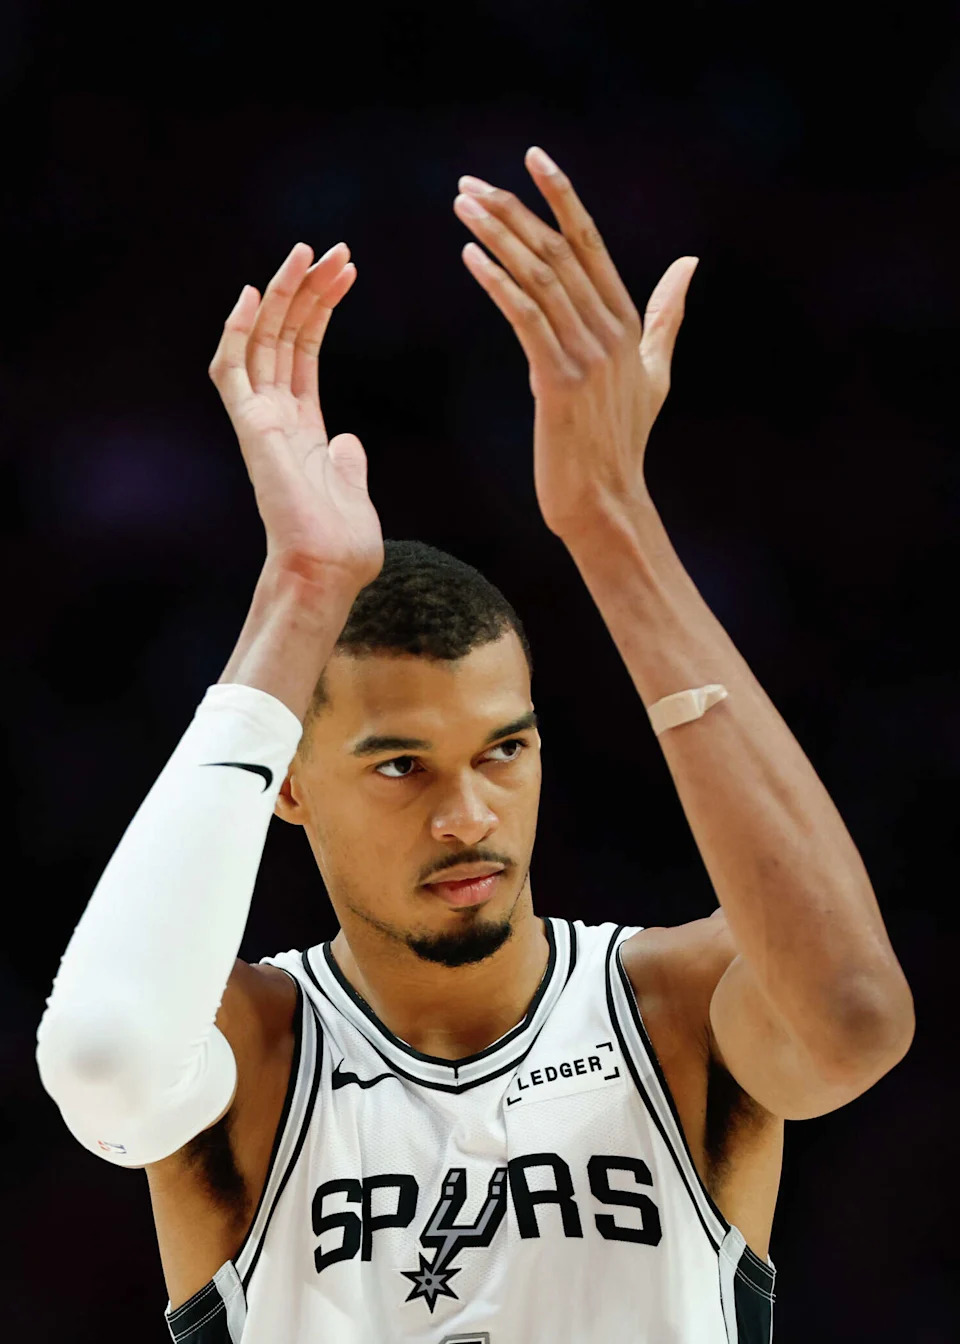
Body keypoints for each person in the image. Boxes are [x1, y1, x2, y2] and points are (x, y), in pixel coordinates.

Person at [36, 148, 914, 1343]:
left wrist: (614, 521)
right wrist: (298, 591)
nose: (469, 816)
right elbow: (100, 1064)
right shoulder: (256, 1051)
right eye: (402, 766)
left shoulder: (672, 1010)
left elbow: (856, 1017)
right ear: (287, 784)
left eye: (505, 751)